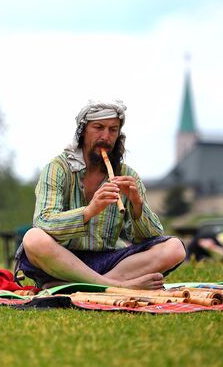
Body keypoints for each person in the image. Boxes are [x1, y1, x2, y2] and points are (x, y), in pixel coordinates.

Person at [17, 100, 186, 290]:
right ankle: (114, 286)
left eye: (113, 130)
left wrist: (137, 205)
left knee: (175, 248)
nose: (105, 136)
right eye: (98, 127)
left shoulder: (127, 175)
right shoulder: (57, 169)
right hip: (63, 259)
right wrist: (89, 211)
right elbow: (43, 221)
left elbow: (151, 238)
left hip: (109, 260)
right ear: (83, 131)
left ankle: (81, 286)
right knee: (33, 238)